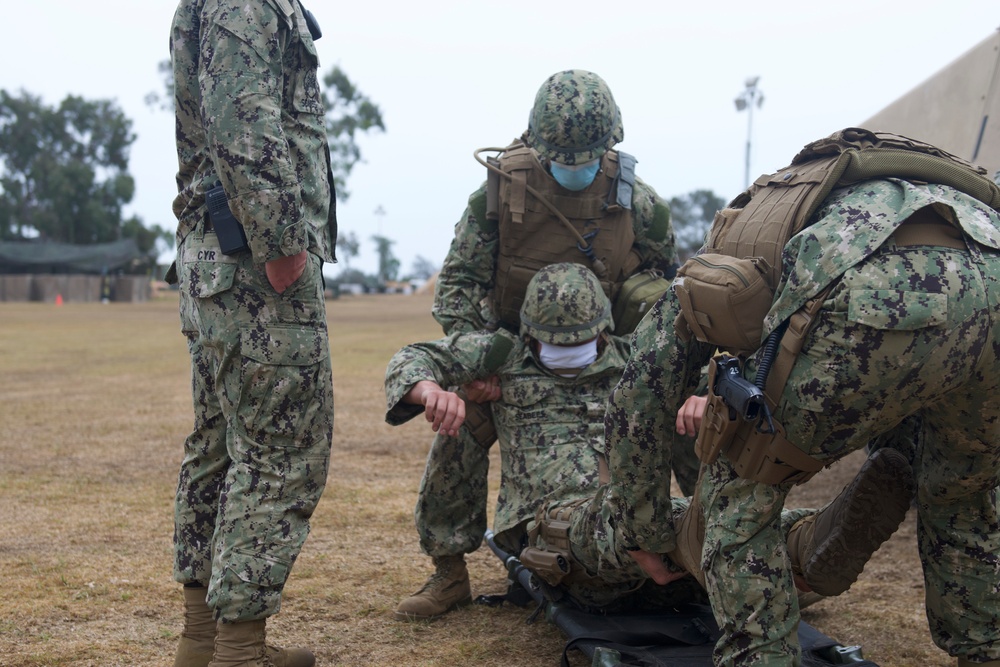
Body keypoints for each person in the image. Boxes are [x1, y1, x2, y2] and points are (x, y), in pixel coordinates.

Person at [604, 130, 1000, 666]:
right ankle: (985, 649)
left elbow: (638, 395)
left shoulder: (711, 270)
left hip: (883, 301)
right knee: (963, 491)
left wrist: (641, 531)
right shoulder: (853, 197)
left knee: (738, 496)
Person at [385, 263, 914, 617]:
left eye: (582, 342)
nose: (569, 353)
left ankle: (809, 540)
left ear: (605, 327)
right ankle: (791, 552)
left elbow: (729, 374)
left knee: (673, 518)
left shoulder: (638, 362)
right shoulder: (502, 359)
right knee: (630, 524)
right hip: (554, 525)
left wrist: (706, 401)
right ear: (528, 333)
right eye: (553, 344)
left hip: (649, 509)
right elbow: (414, 355)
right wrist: (430, 390)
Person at [397, 68, 687, 621]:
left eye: (586, 158)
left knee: (684, 423)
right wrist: (474, 364)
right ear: (536, 143)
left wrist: (644, 371)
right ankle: (448, 573)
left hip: (604, 354)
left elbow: (660, 291)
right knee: (458, 432)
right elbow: (458, 284)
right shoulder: (501, 195)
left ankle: (717, 540)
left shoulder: (641, 205)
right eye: (562, 157)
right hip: (515, 357)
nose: (574, 168)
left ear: (609, 145)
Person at [167, 1, 336, 665]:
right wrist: (281, 241)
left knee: (220, 442)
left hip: (218, 259)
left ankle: (203, 643)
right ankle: (239, 650)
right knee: (281, 446)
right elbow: (241, 112)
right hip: (251, 262)